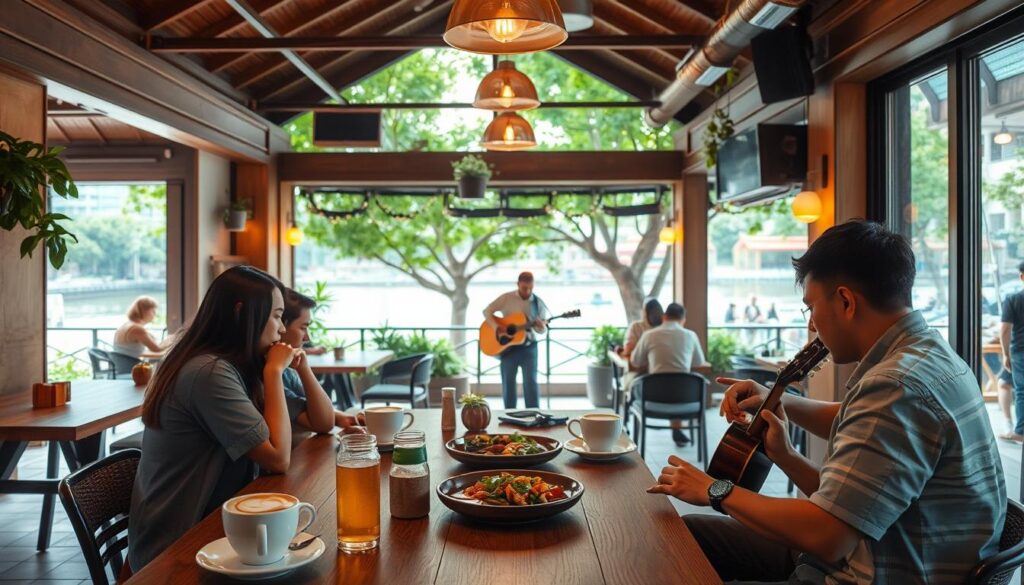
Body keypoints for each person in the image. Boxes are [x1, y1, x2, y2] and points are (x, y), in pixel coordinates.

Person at [648, 221, 1005, 584]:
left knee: (680, 557)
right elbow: (849, 483)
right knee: (690, 536)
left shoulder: (895, 388)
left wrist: (714, 489)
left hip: (863, 572)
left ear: (846, 302)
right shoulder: (931, 354)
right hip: (871, 553)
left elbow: (828, 536)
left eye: (811, 307)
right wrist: (781, 438)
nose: (813, 325)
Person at [128, 266, 305, 571]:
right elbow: (278, 457)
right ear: (241, 313)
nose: (280, 329)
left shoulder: (225, 366)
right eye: (276, 315)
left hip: (214, 526)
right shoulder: (209, 372)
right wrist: (274, 372)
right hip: (174, 549)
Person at [280, 288, 363, 434]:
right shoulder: (266, 374)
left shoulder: (285, 371)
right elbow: (323, 424)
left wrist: (339, 416)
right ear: (281, 326)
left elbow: (306, 404)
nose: (307, 338)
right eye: (303, 327)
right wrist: (304, 367)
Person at [629, 302, 709, 445]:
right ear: (683, 319)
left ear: (664, 317)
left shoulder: (649, 335)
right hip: (685, 399)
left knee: (633, 387)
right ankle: (678, 431)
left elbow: (635, 361)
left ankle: (630, 436)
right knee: (675, 387)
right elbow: (699, 362)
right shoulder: (690, 335)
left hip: (653, 398)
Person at [483, 271, 550, 409]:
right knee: (508, 384)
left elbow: (542, 330)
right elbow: (487, 311)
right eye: (524, 288)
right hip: (508, 348)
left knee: (530, 383)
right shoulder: (506, 298)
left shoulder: (538, 303)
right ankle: (508, 416)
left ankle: (533, 416)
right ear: (518, 284)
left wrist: (541, 327)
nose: (528, 291)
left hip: (529, 348)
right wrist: (497, 327)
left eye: (530, 288)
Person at [1000, 260, 1024, 442]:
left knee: (1021, 390)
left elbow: (1005, 330)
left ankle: (1020, 432)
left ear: (1021, 276)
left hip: (1020, 352)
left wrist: (1005, 354)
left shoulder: (1013, 299)